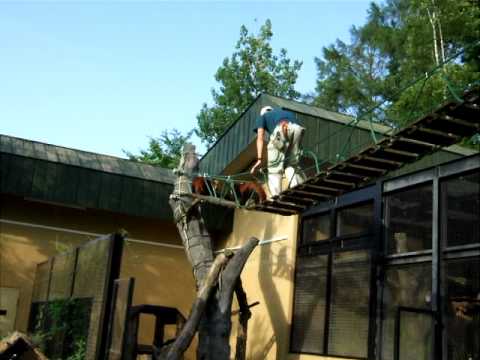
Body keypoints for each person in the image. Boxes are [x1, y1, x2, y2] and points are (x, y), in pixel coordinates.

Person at [250, 106, 306, 197]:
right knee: (291, 164)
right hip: (298, 129)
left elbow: (260, 137)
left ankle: (276, 197)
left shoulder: (263, 116)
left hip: (281, 129)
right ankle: (296, 187)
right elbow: (294, 129)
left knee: (274, 168)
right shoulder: (286, 112)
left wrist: (259, 159)